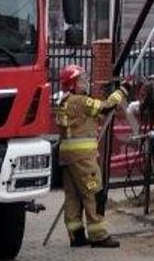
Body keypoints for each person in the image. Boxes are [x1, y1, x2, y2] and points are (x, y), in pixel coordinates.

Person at [54, 64, 126, 247]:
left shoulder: (64, 101)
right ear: (71, 84)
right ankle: (98, 235)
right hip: (83, 158)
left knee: (73, 196)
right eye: (81, 80)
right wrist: (122, 91)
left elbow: (88, 119)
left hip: (67, 157)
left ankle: (76, 236)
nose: (85, 83)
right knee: (94, 193)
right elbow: (106, 107)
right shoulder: (80, 101)